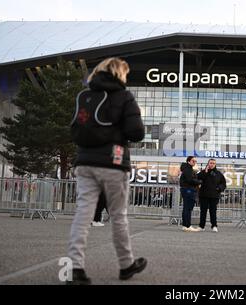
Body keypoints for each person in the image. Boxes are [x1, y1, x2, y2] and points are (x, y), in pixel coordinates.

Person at [68, 57, 147, 285]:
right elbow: (137, 133)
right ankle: (126, 265)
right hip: (113, 163)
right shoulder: (124, 96)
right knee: (118, 215)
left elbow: (75, 130)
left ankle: (75, 268)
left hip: (84, 162)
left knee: (83, 214)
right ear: (120, 73)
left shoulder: (85, 96)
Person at [197, 159, 226, 232]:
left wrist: (219, 188)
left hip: (214, 196)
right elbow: (197, 178)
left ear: (215, 164)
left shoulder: (219, 174)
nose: (212, 164)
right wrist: (205, 172)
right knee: (203, 211)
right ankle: (201, 226)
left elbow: (223, 184)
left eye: (213, 163)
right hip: (204, 195)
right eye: (210, 163)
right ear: (208, 164)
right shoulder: (203, 172)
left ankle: (214, 226)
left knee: (213, 211)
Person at [180, 156, 202, 232]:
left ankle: (185, 225)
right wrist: (199, 182)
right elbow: (190, 180)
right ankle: (187, 225)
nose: (195, 162)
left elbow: (192, 179)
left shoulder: (188, 169)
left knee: (186, 208)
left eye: (195, 161)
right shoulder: (188, 169)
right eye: (193, 161)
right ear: (188, 161)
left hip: (187, 189)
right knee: (188, 208)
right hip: (188, 189)